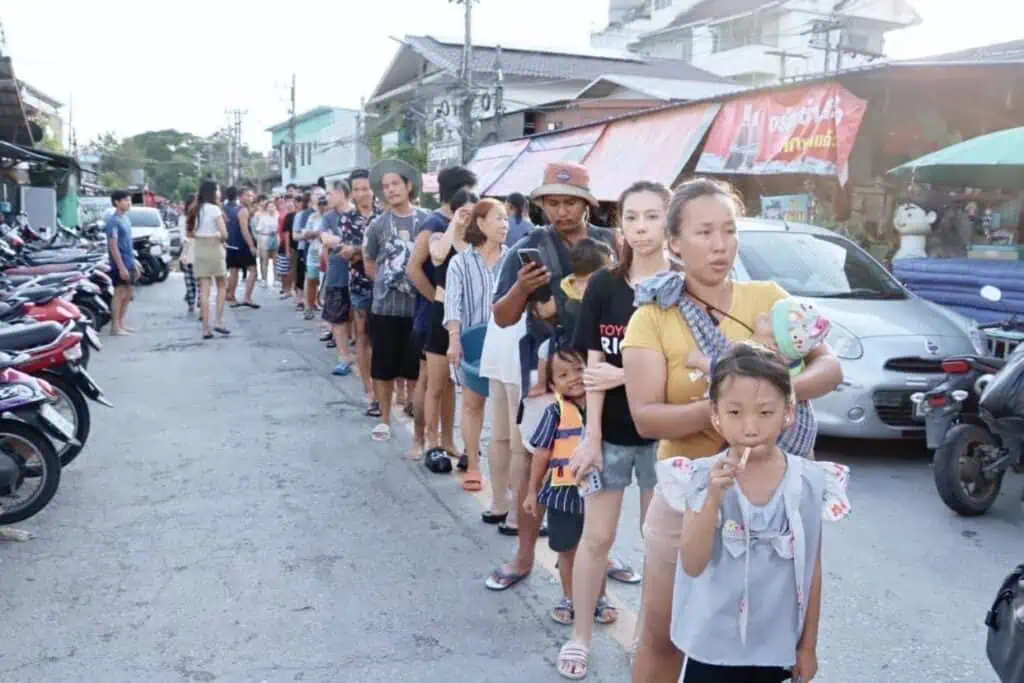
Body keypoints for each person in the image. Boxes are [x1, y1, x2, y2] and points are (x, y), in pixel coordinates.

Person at [621, 178, 843, 683]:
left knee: (759, 636)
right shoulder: (653, 317)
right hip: (689, 493)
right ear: (674, 242)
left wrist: (773, 396)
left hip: (769, 496)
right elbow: (647, 417)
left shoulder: (769, 298)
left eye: (728, 230)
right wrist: (729, 407)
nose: (720, 244)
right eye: (704, 232)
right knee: (664, 632)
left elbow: (828, 368)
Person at [657, 343, 850, 682]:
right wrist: (714, 498)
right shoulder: (701, 477)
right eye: (735, 413)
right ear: (715, 415)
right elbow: (692, 562)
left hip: (775, 645)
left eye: (765, 412)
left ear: (788, 412)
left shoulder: (808, 481)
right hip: (712, 644)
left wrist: (808, 646)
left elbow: (811, 570)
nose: (750, 427)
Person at [485, 161, 617, 592]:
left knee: (605, 464)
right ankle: (524, 555)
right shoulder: (528, 247)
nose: (561, 212)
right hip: (545, 368)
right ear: (541, 204)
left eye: (570, 203)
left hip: (602, 366)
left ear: (587, 204)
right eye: (553, 202)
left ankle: (600, 552)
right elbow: (502, 318)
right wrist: (523, 289)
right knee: (536, 463)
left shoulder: (611, 243)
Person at [558, 181, 672, 679]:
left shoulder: (681, 287)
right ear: (619, 223)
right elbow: (593, 366)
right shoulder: (605, 284)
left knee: (661, 546)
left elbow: (691, 368)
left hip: (667, 437)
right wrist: (592, 436)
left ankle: (652, 641)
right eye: (631, 217)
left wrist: (628, 374)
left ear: (670, 220)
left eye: (651, 216)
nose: (641, 227)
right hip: (613, 437)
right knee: (596, 539)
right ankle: (580, 635)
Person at [407, 166, 478, 462]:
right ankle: (423, 440)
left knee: (449, 383)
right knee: (429, 381)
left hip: (458, 317)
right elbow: (415, 268)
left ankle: (447, 440)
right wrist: (437, 300)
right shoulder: (434, 223)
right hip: (433, 314)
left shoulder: (473, 230)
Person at [522, 343, 589, 627]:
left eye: (579, 369)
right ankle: (569, 597)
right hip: (563, 493)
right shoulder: (555, 413)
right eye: (563, 375)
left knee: (596, 549)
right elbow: (541, 454)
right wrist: (531, 491)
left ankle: (598, 598)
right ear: (552, 385)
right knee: (566, 548)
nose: (574, 377)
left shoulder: (603, 409)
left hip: (597, 494)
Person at [363, 159, 429, 442]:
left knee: (415, 364)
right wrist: (386, 283)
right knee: (383, 364)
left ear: (408, 186)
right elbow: (369, 263)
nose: (390, 190)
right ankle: (385, 418)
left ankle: (415, 408)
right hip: (385, 307)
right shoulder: (377, 225)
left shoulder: (427, 220)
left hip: (418, 307)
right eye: (385, 186)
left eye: (395, 184)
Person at [444, 197, 508, 490]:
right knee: (472, 403)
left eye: (506, 219)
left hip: (507, 343)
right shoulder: (460, 262)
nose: (504, 225)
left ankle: (507, 472)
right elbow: (452, 305)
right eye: (498, 218)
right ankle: (473, 463)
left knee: (508, 407)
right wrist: (454, 341)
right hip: (472, 341)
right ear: (480, 224)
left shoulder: (513, 259)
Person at [338, 169, 380, 415]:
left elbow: (368, 251)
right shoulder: (348, 218)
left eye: (365, 188)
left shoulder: (385, 214)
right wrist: (359, 251)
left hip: (386, 286)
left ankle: (391, 390)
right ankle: (370, 392)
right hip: (359, 285)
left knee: (384, 340)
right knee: (363, 338)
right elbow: (349, 253)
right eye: (356, 189)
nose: (361, 194)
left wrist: (357, 250)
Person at [187, 180, 231, 339]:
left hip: (200, 249)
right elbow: (224, 233)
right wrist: (218, 236)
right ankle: (218, 321)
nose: (219, 193)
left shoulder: (194, 209)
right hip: (214, 248)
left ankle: (206, 328)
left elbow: (190, 233)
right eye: (218, 190)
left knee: (204, 290)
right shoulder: (214, 209)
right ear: (213, 192)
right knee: (221, 285)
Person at [319, 181, 355, 376]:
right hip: (336, 272)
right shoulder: (328, 217)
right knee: (338, 317)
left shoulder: (357, 214)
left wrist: (338, 242)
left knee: (359, 317)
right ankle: (343, 356)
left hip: (358, 273)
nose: (327, 197)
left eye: (330, 193)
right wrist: (348, 244)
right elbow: (326, 240)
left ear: (342, 193)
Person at [104, 190, 137, 336]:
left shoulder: (126, 219)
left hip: (129, 260)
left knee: (128, 293)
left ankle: (121, 323)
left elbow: (128, 243)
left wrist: (134, 263)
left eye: (129, 200)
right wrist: (121, 266)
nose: (128, 203)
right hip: (119, 262)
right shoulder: (113, 221)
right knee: (119, 293)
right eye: (125, 200)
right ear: (117, 202)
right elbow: (113, 245)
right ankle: (115, 326)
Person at [224, 187, 260, 309]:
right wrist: (251, 246)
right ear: (240, 197)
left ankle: (231, 296)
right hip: (242, 245)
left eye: (251, 195)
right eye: (247, 195)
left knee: (234, 271)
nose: (250, 198)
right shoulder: (243, 210)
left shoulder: (231, 209)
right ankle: (247, 298)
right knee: (253, 271)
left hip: (231, 244)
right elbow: (245, 230)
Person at [300, 195, 328, 320]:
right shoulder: (313, 217)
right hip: (314, 253)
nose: (322, 207)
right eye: (320, 204)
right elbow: (305, 234)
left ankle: (326, 310)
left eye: (324, 204)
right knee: (311, 279)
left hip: (327, 253)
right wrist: (318, 234)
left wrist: (317, 234)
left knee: (326, 283)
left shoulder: (332, 216)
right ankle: (308, 307)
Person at [292, 193, 314, 309]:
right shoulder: (301, 215)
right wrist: (308, 235)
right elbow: (295, 236)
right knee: (302, 274)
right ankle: (300, 299)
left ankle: (312, 300)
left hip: (317, 249)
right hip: (303, 247)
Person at [254, 195, 279, 286]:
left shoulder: (278, 216)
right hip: (265, 238)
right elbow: (258, 228)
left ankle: (276, 279)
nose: (271, 208)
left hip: (275, 238)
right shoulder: (263, 217)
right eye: (269, 207)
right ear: (267, 208)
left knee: (276, 260)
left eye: (273, 206)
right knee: (265, 260)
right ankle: (264, 279)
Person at [179, 193, 197, 315]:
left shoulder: (198, 217)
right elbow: (183, 237)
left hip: (191, 249)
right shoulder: (184, 218)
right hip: (189, 249)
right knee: (190, 278)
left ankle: (196, 301)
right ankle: (192, 302)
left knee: (194, 278)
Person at [277, 197, 296, 298]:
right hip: (284, 246)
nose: (289, 207)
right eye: (288, 206)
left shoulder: (295, 215)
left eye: (291, 206)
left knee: (292, 269)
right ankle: (286, 289)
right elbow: (286, 234)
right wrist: (287, 249)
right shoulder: (286, 216)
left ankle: (290, 289)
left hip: (293, 246)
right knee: (284, 269)